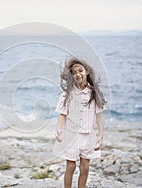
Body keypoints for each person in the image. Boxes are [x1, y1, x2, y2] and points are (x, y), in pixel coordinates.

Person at [53, 57, 107, 188]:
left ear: (87, 71)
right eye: (74, 72)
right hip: (71, 134)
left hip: (88, 136)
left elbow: (99, 115)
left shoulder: (94, 93)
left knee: (85, 167)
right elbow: (63, 114)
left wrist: (100, 135)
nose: (77, 74)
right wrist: (58, 129)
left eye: (80, 71)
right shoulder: (68, 94)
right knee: (70, 166)